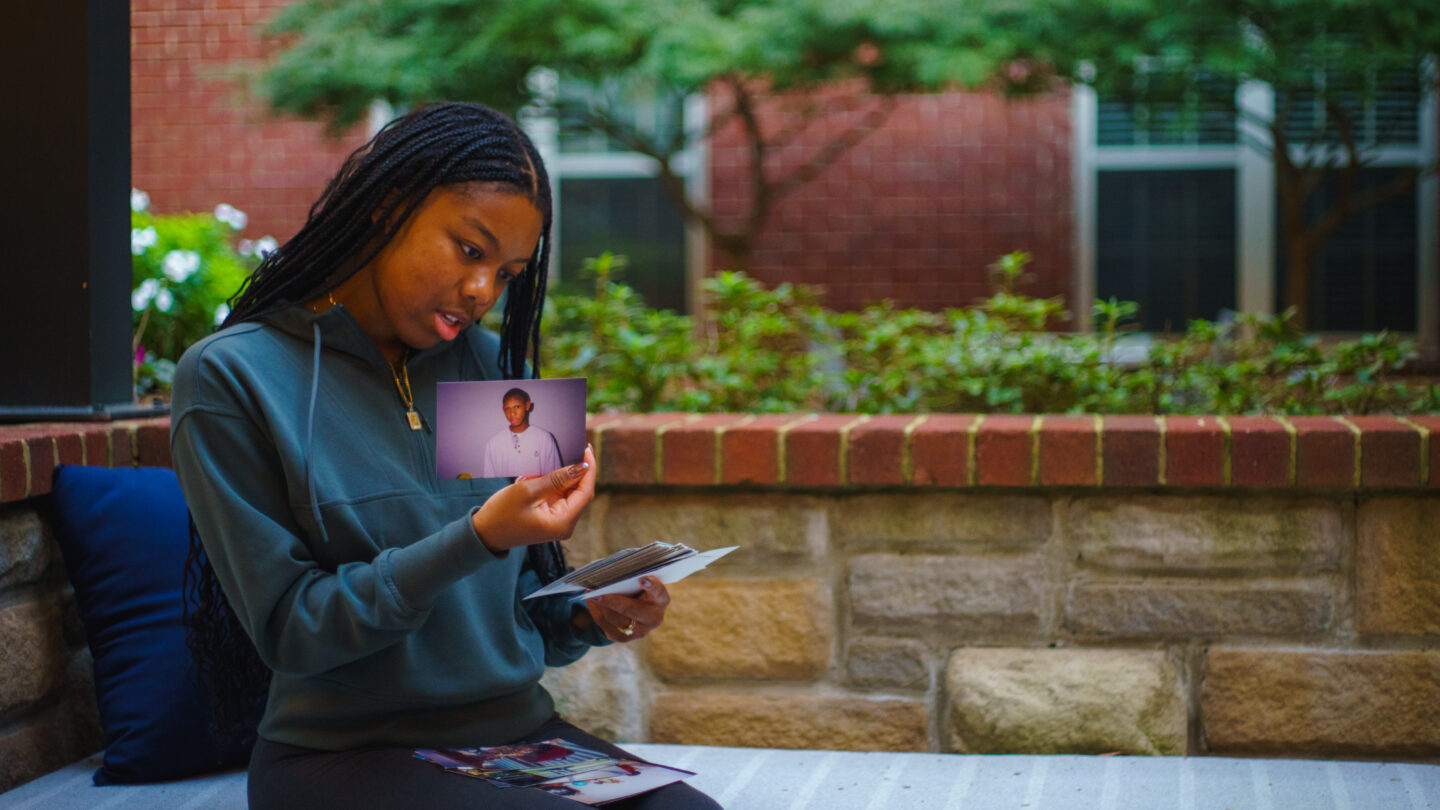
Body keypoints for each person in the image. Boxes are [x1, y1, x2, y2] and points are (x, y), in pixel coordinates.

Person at [171, 102, 722, 810]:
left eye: (508, 272)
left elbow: (518, 617)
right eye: (470, 250)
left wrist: (589, 613)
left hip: (517, 738)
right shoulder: (236, 377)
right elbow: (293, 631)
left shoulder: (494, 369)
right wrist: (480, 536)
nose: (483, 292)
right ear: (388, 207)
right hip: (343, 756)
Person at [481, 387, 564, 478]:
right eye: (507, 409)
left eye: (517, 407)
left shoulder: (545, 438)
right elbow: (489, 479)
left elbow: (555, 477)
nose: (512, 413)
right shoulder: (493, 443)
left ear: (527, 406)